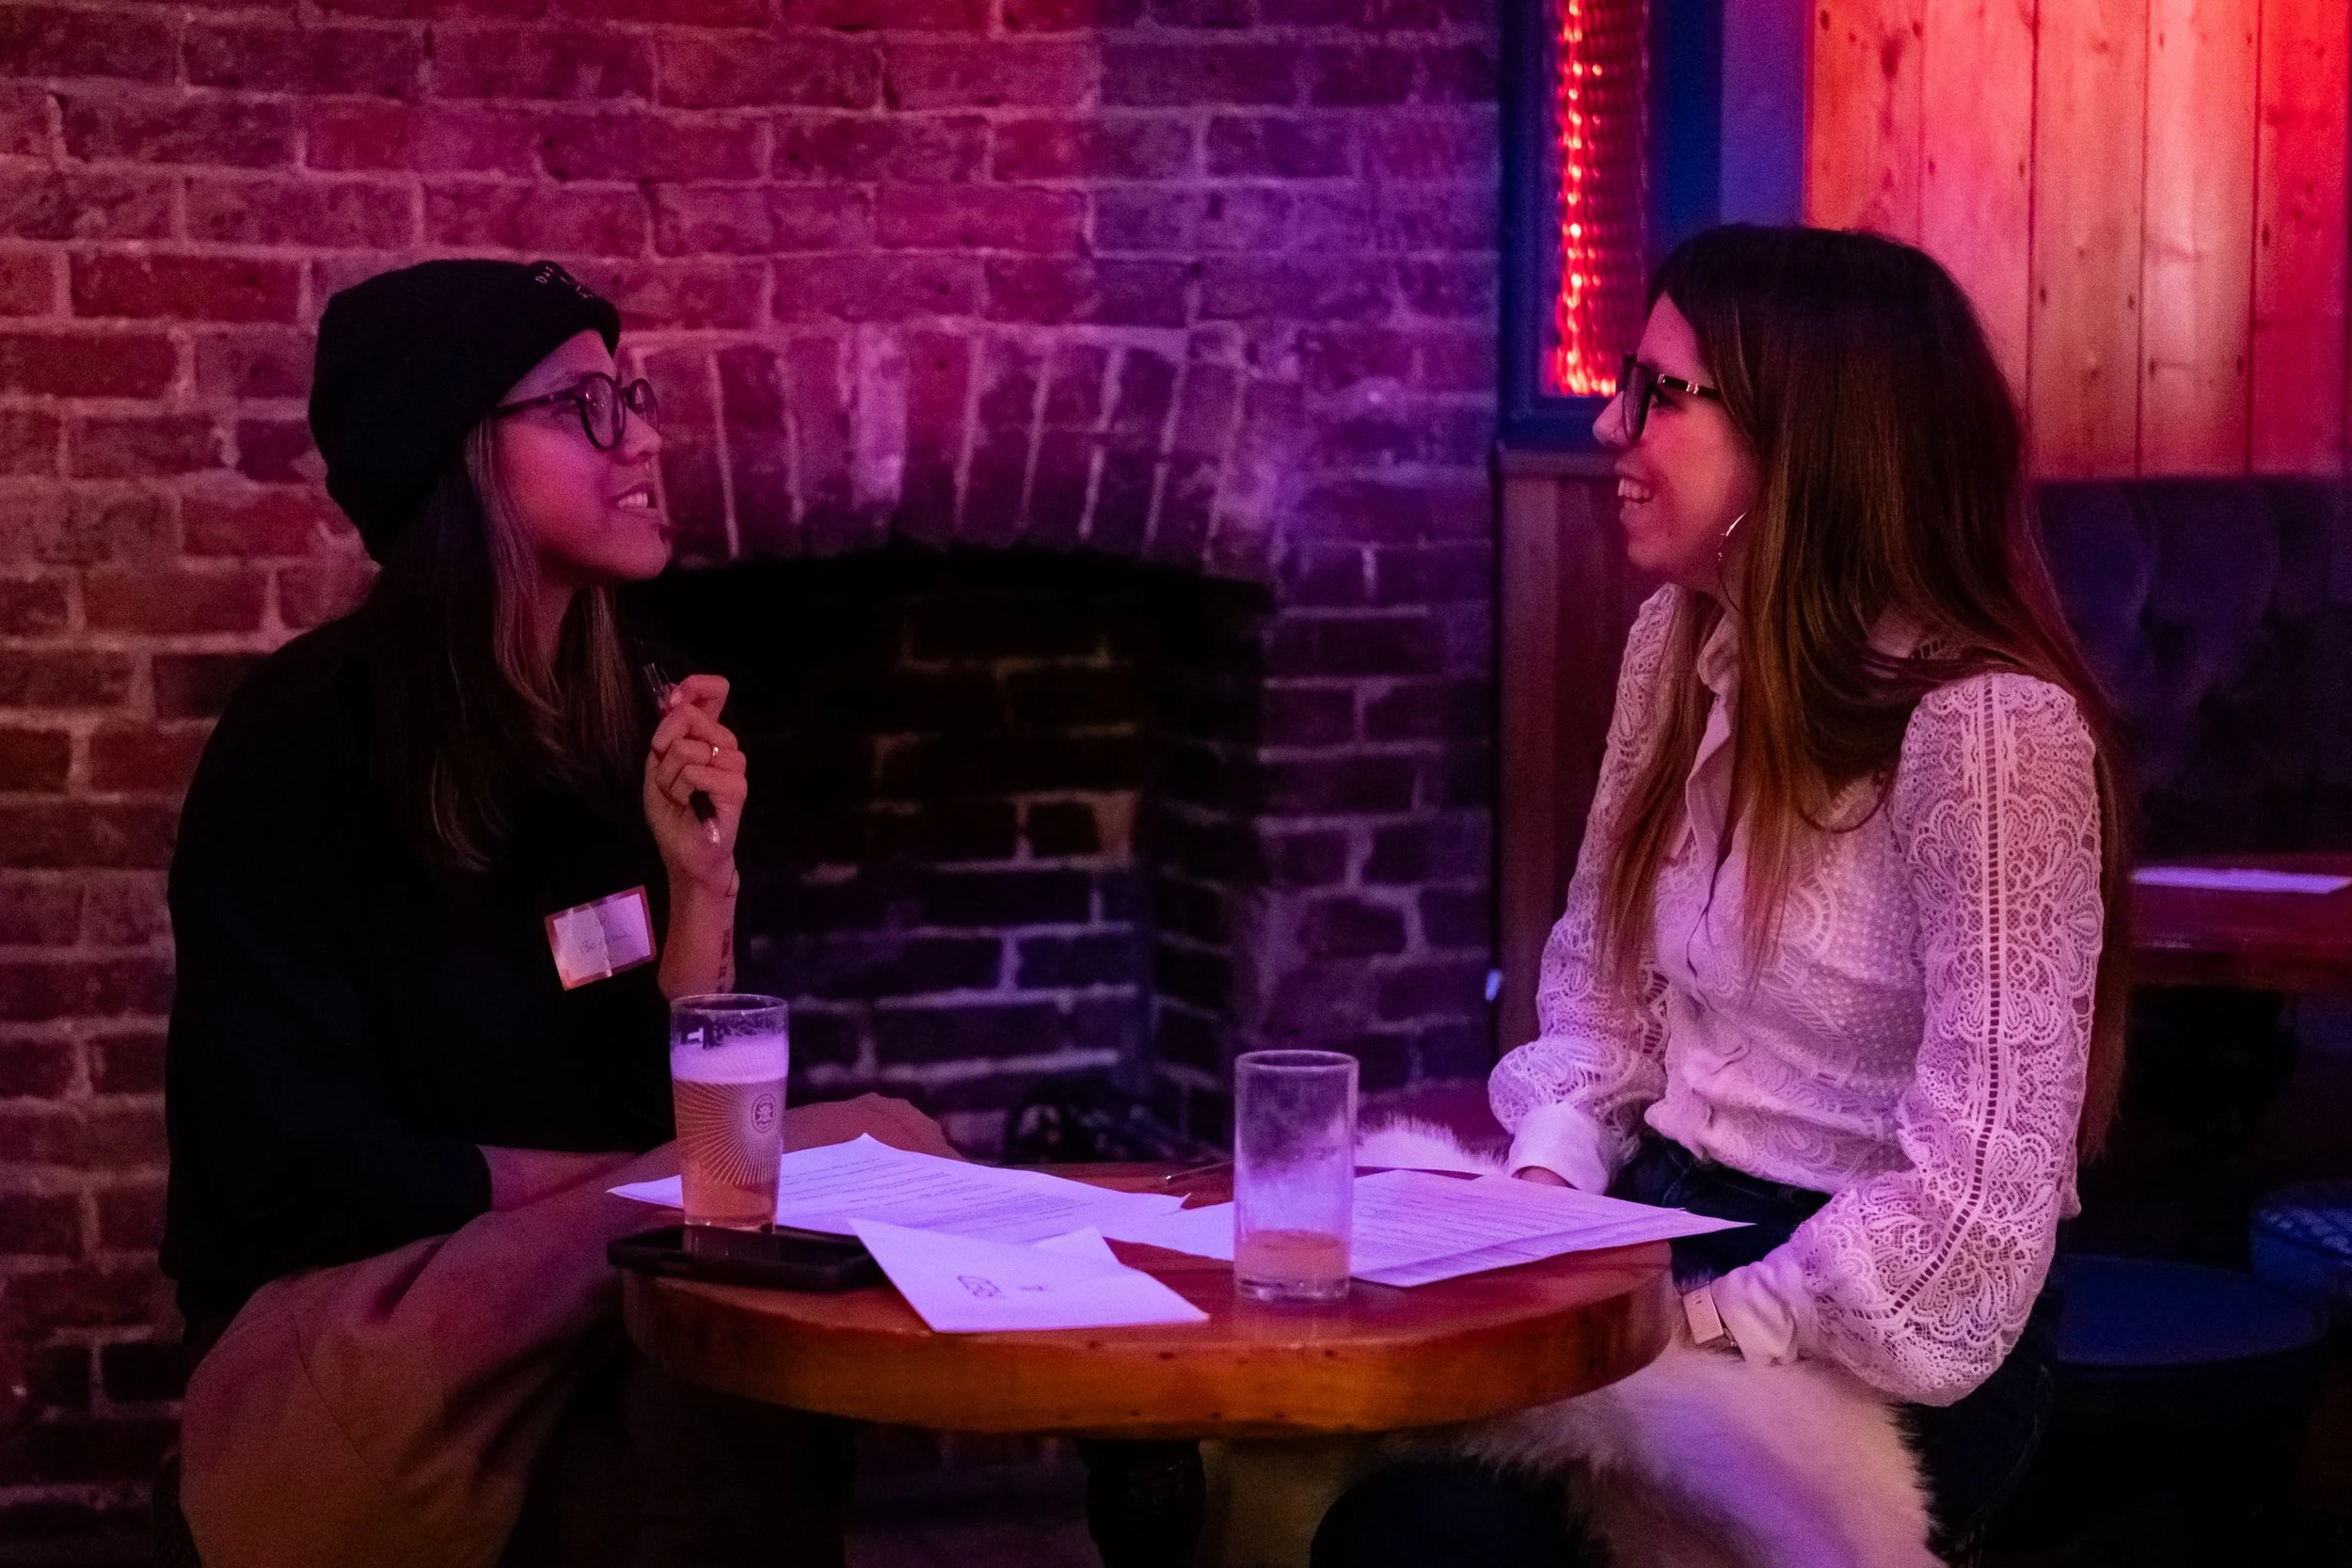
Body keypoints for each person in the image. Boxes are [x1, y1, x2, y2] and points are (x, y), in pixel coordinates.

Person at [1314, 225, 2129, 1565]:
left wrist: (1696, 1318)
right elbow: (1604, 1006)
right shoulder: (1678, 645)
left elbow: (1976, 1214)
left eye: (1653, 392)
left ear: (1808, 440)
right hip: (1664, 1210)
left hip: (1875, 1311)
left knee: (1445, 1543)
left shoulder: (1990, 733)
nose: (1607, 420)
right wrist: (1540, 1193)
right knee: (1386, 1493)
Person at [160, 259, 941, 1568]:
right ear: (457, 455)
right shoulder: (300, 744)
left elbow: (670, 1122)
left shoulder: (622, 725)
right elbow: (296, 1165)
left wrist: (704, 891)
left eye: (633, 395)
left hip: (599, 1297)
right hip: (369, 1302)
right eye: (584, 404)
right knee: (834, 1169)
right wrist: (620, 1194)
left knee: (758, 1330)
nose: (641, 437)